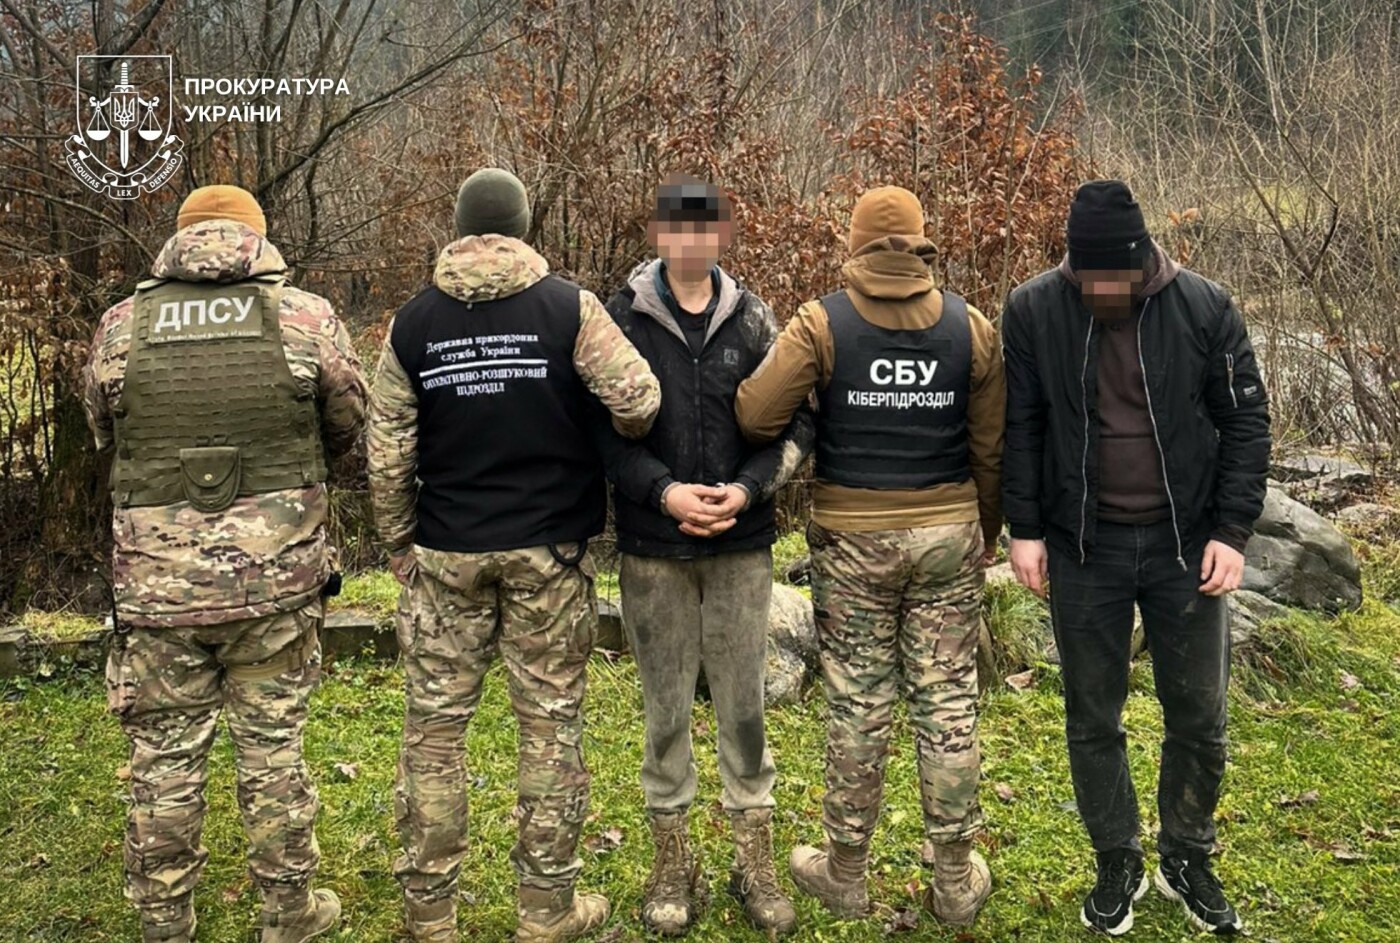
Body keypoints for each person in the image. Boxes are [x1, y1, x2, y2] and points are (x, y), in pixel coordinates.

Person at [368, 168, 661, 943]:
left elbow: (387, 455)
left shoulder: (413, 324)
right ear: (524, 226)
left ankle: (430, 918)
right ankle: (547, 911)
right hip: (548, 553)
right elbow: (639, 399)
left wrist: (397, 541)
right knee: (550, 729)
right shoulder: (568, 308)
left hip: (446, 552)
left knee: (434, 733)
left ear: (459, 228)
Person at [84, 184, 365, 943]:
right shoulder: (304, 317)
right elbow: (348, 423)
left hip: (157, 586)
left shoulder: (121, 325)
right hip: (274, 582)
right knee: (273, 751)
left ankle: (164, 922)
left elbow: (103, 430)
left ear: (178, 239)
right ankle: (290, 914)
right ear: (256, 237)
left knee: (163, 759)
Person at [1002, 180, 1270, 936]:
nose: (1100, 293)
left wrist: (1232, 532)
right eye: (1086, 279)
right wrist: (1024, 527)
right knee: (1093, 713)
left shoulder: (1205, 307)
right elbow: (1021, 424)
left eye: (1112, 278)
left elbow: (1246, 423)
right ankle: (1117, 857)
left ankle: (1188, 854)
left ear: (1141, 256)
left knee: (1200, 715)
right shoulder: (1033, 309)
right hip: (1083, 544)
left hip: (1188, 544)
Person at [736, 185, 1005, 928]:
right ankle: (955, 881)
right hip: (948, 534)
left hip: (853, 539)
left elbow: (755, 415)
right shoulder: (971, 326)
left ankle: (845, 873)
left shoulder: (822, 322)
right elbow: (990, 448)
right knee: (947, 702)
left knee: (858, 702)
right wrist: (985, 529)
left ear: (854, 244)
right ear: (921, 243)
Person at [593, 175, 814, 937]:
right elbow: (595, 431)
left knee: (744, 707)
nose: (691, 241)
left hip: (741, 548)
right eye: (677, 228)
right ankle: (672, 862)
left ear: (722, 234)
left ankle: (753, 858)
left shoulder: (755, 318)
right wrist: (663, 493)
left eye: (705, 228)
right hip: (652, 548)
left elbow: (799, 420)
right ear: (657, 234)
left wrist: (748, 490)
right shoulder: (619, 318)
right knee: (664, 711)